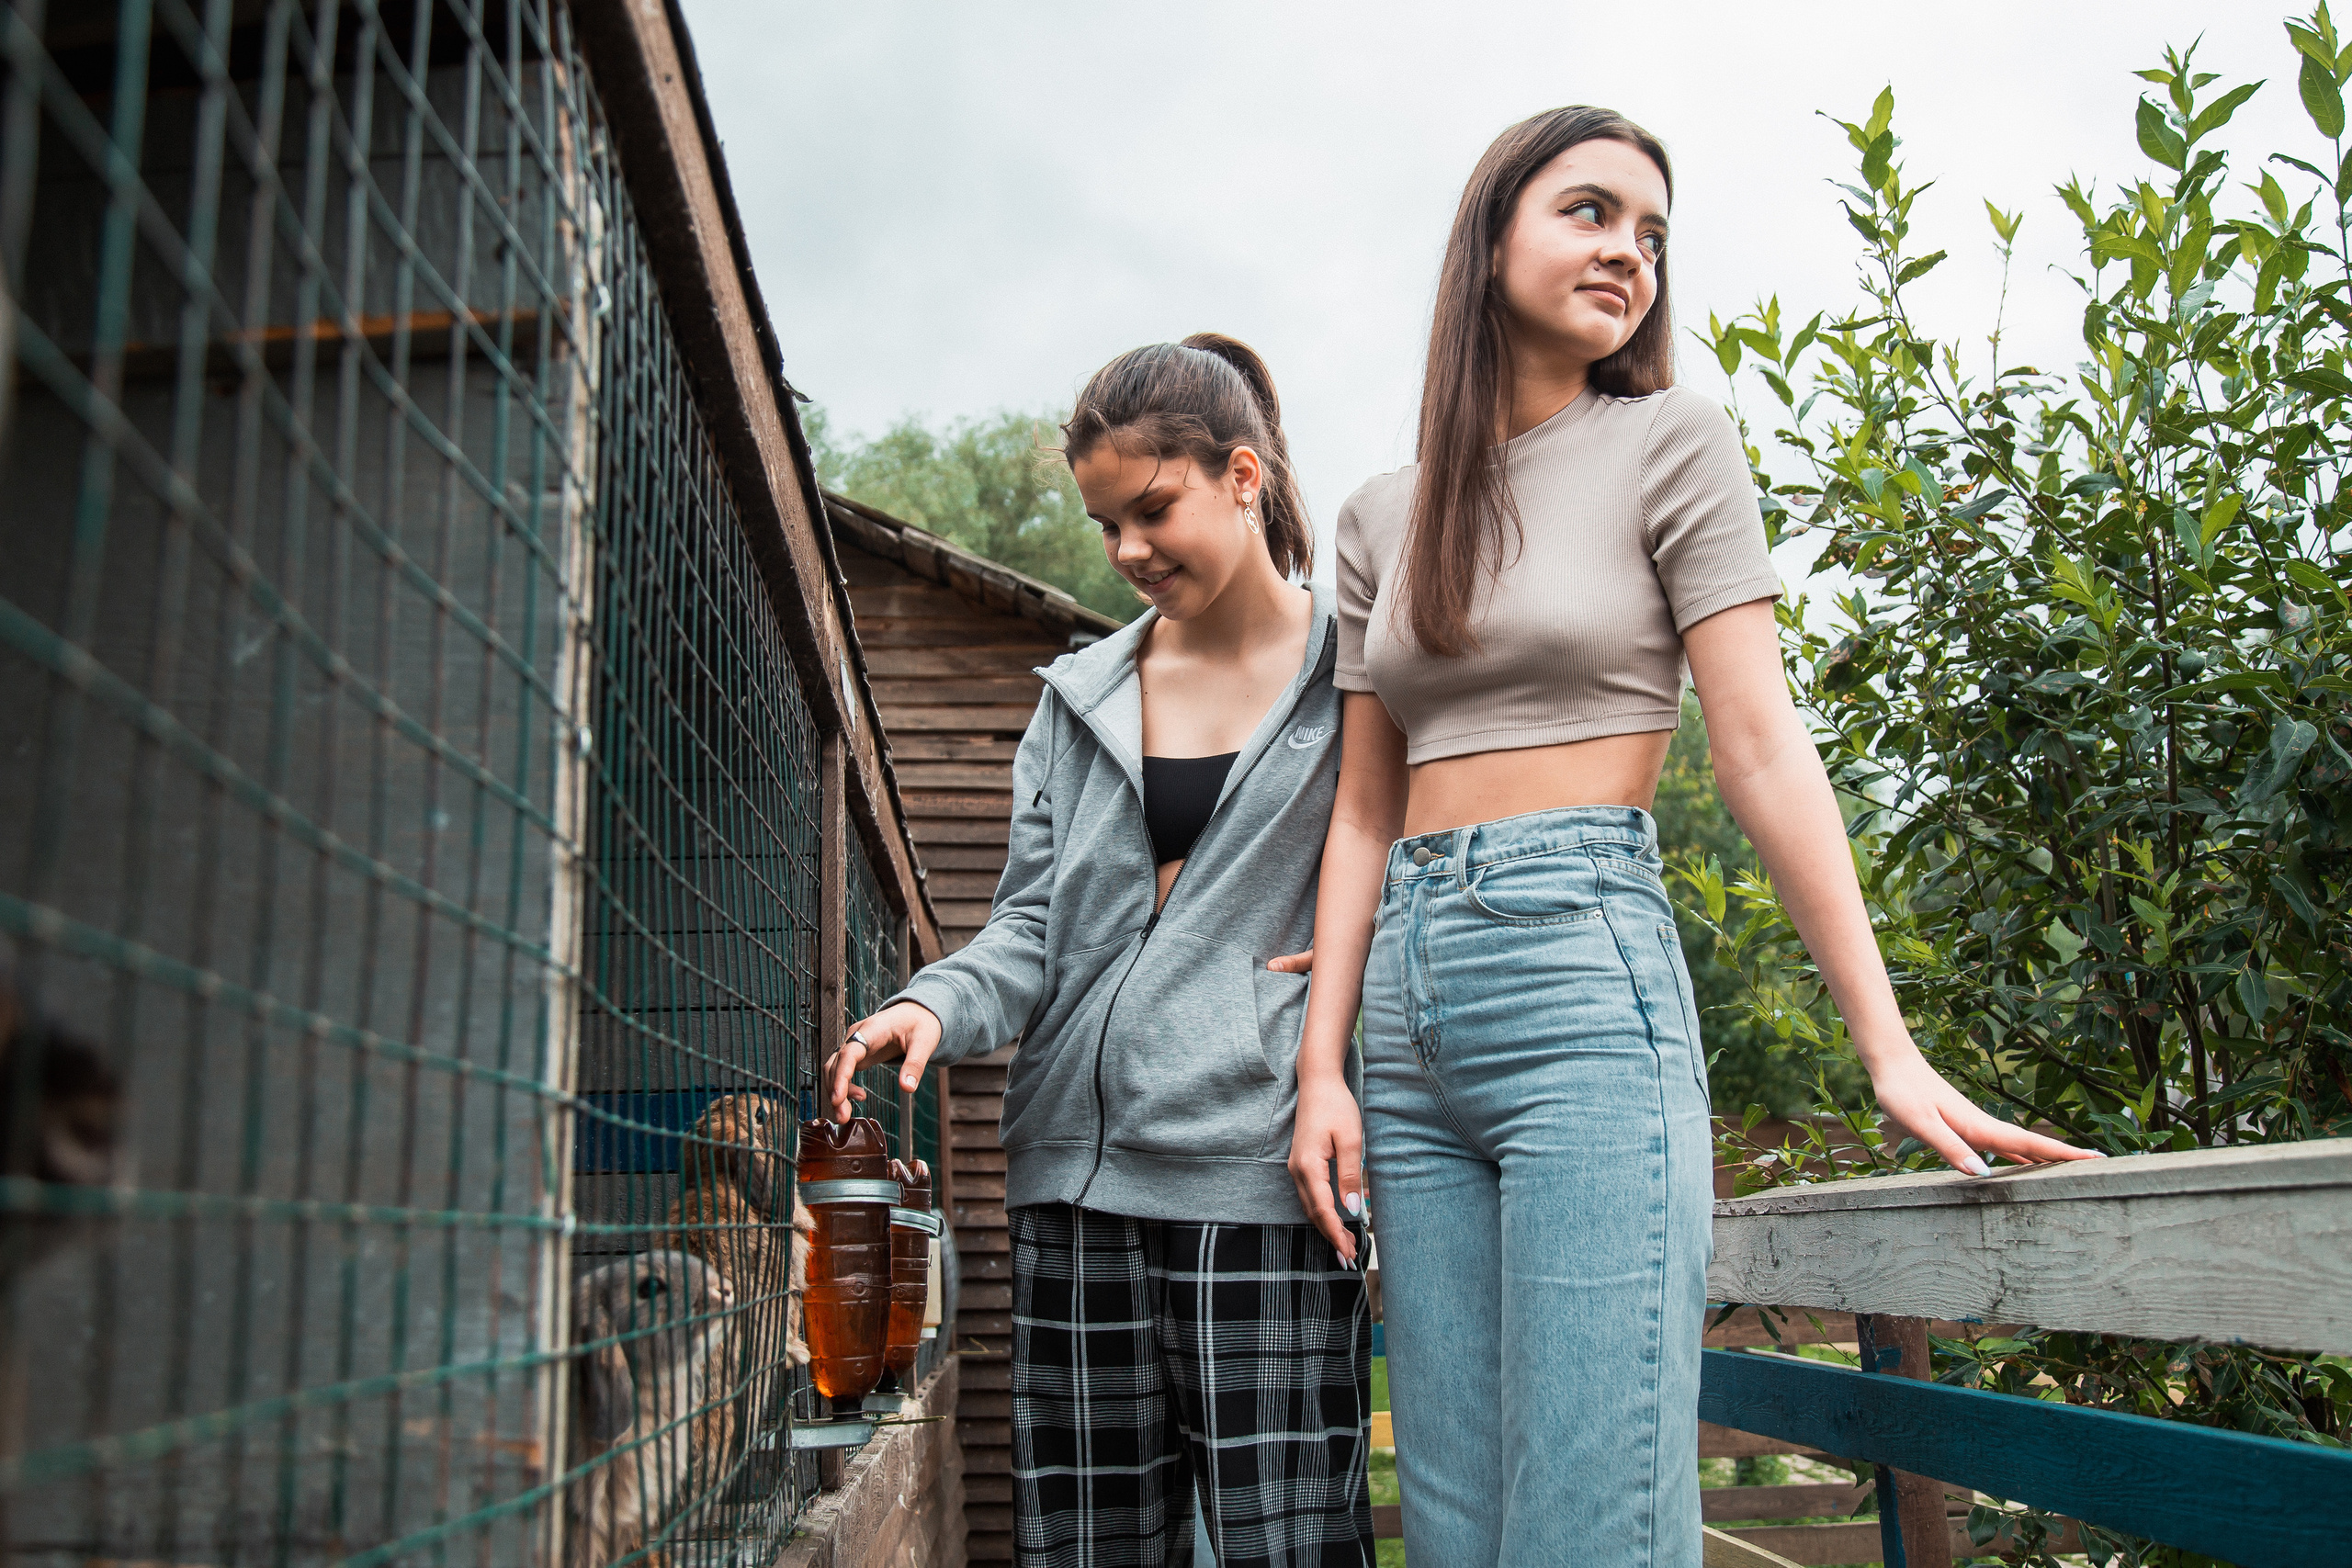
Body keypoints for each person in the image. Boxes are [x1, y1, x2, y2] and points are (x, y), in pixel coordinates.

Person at [1283, 107, 2098, 1568]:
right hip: (1407, 1013)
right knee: (1454, 1523)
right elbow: (1360, 811)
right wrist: (1321, 1068)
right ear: (1490, 239)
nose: (1630, 253)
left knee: (1591, 1516)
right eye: (1591, 212)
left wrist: (1888, 1047)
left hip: (1579, 975)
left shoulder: (1672, 440)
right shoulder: (1378, 514)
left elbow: (1761, 744)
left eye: (1653, 235)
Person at [827, 333, 1373, 1568]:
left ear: (1243, 476)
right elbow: (1031, 927)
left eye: (1153, 510)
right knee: (1089, 1548)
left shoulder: (1357, 672)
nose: (1127, 550)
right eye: (1105, 523)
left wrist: (1358, 975)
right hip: (1071, 1195)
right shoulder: (1077, 696)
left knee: (1291, 1547)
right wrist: (934, 1005)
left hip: (1259, 1180)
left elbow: (1411, 861)